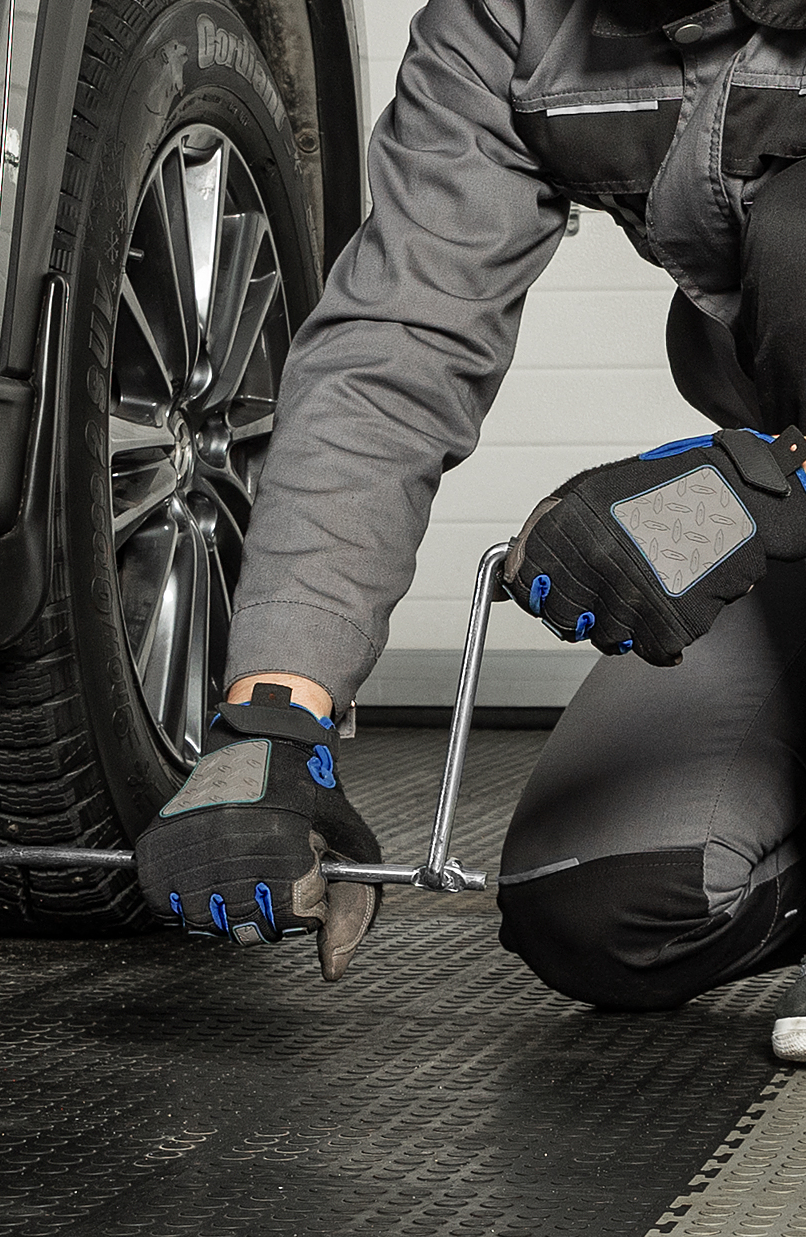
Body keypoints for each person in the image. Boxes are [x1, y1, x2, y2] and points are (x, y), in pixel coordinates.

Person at [135, 0, 806, 1056]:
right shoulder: (511, 21)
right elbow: (393, 352)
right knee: (606, 903)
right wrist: (276, 712)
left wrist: (775, 484)